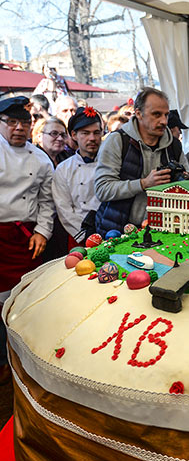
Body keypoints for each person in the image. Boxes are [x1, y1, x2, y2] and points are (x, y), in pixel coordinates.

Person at [0, 97, 55, 382]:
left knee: (20, 300)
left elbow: (47, 202)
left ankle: (20, 359)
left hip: (24, 238)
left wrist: (42, 231)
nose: (19, 128)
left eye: (24, 122)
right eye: (11, 122)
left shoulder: (41, 159)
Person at [94, 87, 189, 236]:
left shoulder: (173, 145)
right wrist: (143, 184)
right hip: (119, 231)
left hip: (163, 232)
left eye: (166, 115)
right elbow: (102, 189)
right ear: (138, 113)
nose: (164, 121)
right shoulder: (117, 141)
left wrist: (183, 180)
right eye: (156, 114)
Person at [52, 107, 103, 246]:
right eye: (85, 133)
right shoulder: (63, 169)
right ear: (74, 135)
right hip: (79, 234)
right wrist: (83, 234)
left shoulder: (112, 163)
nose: (92, 138)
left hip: (109, 230)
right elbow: (64, 208)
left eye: (96, 132)